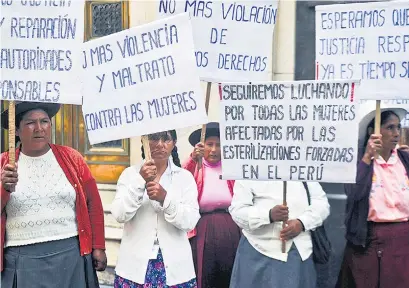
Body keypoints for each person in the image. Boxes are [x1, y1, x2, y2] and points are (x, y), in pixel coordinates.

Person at [0, 101, 106, 288]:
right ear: (16, 130)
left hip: (71, 255)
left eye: (45, 121)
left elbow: (93, 204)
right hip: (22, 260)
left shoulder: (72, 158)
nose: (39, 128)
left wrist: (98, 247)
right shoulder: (3, 164)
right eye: (30, 123)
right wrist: (3, 188)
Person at [111, 130, 200, 288]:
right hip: (134, 268)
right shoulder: (130, 175)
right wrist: (140, 181)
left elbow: (190, 222)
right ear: (143, 140)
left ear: (174, 143)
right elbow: (119, 214)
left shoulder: (185, 178)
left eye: (166, 139)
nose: (159, 144)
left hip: (176, 268)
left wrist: (165, 199)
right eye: (153, 138)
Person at [337, 103, 409, 288]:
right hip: (368, 239)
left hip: (402, 236)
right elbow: (354, 193)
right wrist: (367, 158)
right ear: (373, 131)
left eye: (398, 128)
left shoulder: (404, 159)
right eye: (390, 127)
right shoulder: (359, 160)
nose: (396, 133)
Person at [229, 179, 330, 288]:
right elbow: (237, 211)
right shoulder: (250, 170)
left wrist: (302, 223)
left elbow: (321, 204)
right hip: (258, 253)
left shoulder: (302, 168)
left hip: (299, 254)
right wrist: (268, 215)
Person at [183, 122, 241, 288]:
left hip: (231, 227)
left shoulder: (232, 169)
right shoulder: (195, 166)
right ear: (201, 146)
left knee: (229, 273)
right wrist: (193, 158)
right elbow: (181, 179)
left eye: (219, 145)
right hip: (202, 227)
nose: (214, 150)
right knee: (204, 274)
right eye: (209, 144)